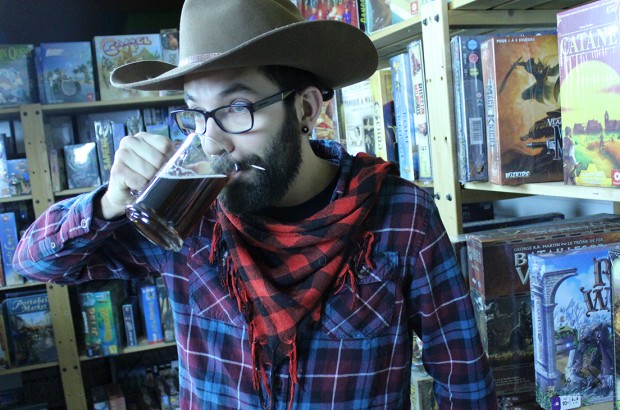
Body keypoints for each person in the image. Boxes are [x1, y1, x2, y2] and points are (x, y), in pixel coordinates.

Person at [13, 0, 497, 408]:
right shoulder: (185, 216)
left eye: (236, 108)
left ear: (306, 108)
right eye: (197, 114)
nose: (213, 141)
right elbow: (35, 262)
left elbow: (464, 382)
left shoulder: (402, 216)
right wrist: (106, 202)